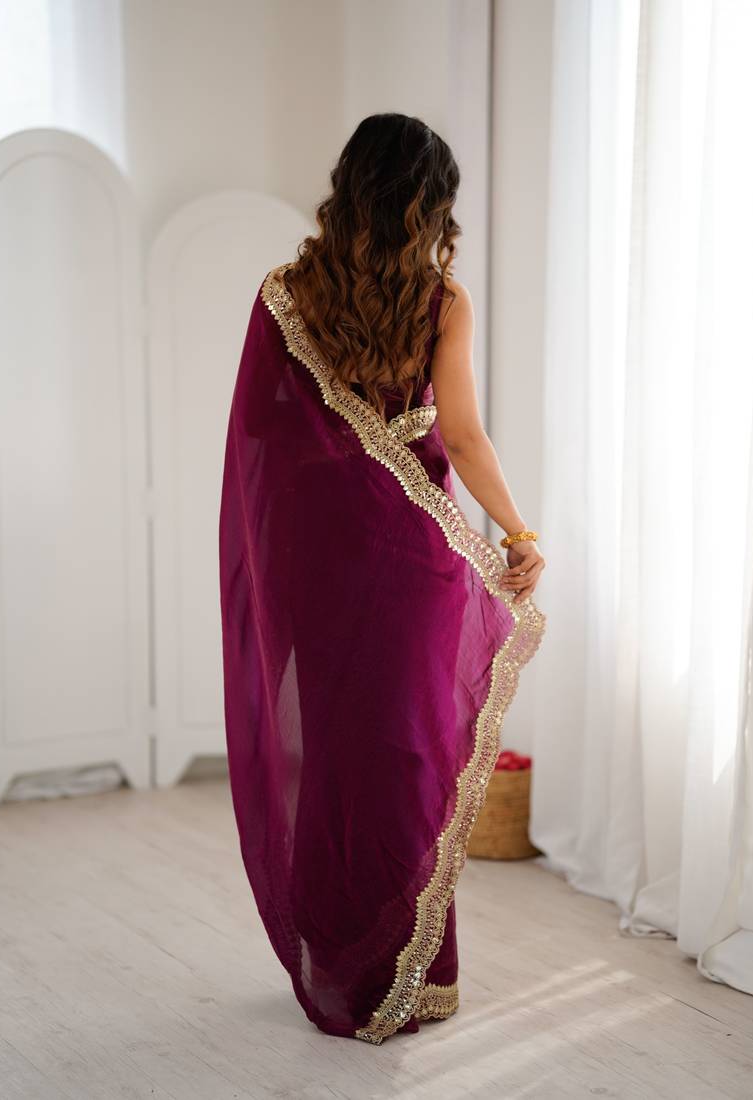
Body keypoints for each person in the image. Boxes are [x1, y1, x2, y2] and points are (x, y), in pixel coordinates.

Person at [218, 113, 546, 1045]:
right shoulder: (442, 301)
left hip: (318, 563)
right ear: (429, 205)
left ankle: (343, 964)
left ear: (349, 187)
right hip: (412, 562)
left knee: (331, 754)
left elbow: (261, 442)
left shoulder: (285, 296)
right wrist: (518, 530)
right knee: (406, 754)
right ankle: (405, 974)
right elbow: (464, 437)